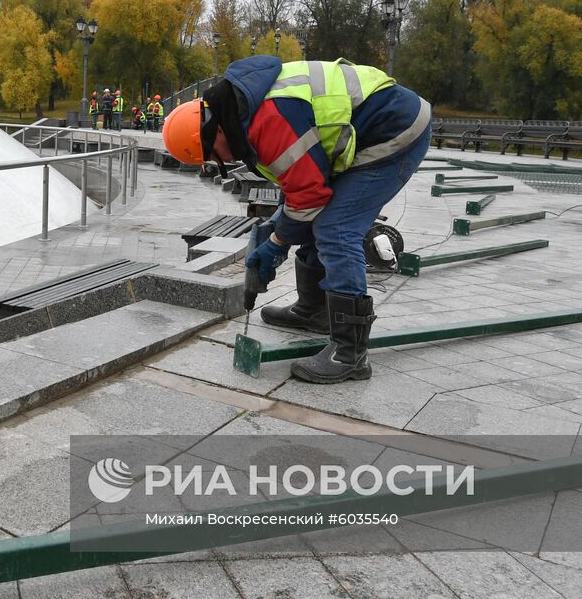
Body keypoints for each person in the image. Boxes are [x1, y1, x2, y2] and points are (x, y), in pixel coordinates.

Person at [162, 55, 431, 383]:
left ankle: (350, 353)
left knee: (336, 228)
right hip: (371, 127)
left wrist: (276, 243)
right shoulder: (243, 112)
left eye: (214, 156)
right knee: (310, 217)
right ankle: (314, 310)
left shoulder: (269, 122)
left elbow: (310, 197)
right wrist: (278, 227)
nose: (223, 161)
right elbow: (299, 183)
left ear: (211, 131)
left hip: (395, 129)